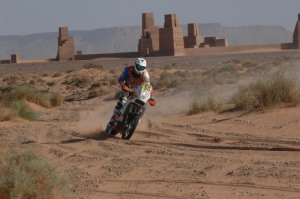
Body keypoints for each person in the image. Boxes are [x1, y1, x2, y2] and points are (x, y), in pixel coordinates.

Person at [106, 58, 156, 133]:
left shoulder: (145, 74)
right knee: (122, 103)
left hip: (138, 91)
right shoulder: (128, 69)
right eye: (139, 67)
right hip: (128, 89)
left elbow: (148, 86)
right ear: (135, 65)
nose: (140, 69)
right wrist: (123, 84)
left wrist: (151, 97)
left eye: (142, 67)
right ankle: (111, 123)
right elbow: (121, 79)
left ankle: (137, 119)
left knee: (144, 104)